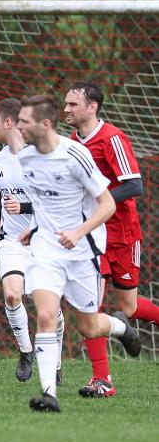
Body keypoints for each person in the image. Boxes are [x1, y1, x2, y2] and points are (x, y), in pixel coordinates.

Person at [16, 94, 140, 413]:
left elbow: (108, 204)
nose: (19, 127)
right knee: (45, 315)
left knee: (89, 326)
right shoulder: (26, 158)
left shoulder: (75, 154)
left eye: (24, 122)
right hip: (46, 251)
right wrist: (33, 227)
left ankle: (120, 327)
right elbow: (45, 201)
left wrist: (78, 232)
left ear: (44, 124)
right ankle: (49, 395)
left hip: (82, 251)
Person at [65, 80, 156, 398]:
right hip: (92, 236)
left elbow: (134, 185)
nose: (66, 110)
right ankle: (102, 379)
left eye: (73, 105)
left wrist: (98, 201)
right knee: (91, 304)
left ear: (92, 107)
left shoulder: (112, 138)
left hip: (123, 234)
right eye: (65, 105)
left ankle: (119, 338)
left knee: (127, 307)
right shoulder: (69, 145)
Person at [0, 98, 65, 383]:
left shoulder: (40, 155)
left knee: (49, 309)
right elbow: (0, 196)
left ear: (8, 123)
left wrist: (25, 208)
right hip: (11, 241)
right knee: (12, 295)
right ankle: (26, 351)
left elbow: (51, 202)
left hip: (41, 241)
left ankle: (54, 361)